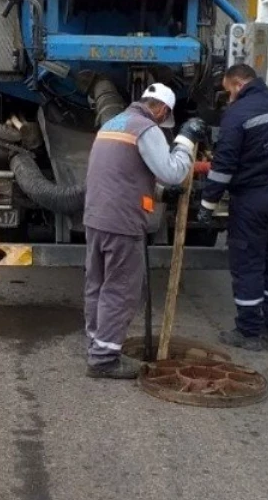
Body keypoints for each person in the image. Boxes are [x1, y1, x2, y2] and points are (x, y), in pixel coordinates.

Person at [83, 83, 208, 379]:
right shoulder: (145, 128)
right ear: (162, 109)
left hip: (96, 216)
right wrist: (186, 140)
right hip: (122, 222)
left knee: (97, 285)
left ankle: (96, 344)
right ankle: (103, 360)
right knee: (120, 289)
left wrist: (161, 194)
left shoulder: (113, 124)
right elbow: (173, 171)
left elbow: (124, 173)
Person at [199, 63, 268, 352]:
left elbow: (224, 165)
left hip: (254, 200)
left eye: (228, 90)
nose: (228, 97)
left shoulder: (238, 113)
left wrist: (207, 203)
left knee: (248, 264)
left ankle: (248, 332)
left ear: (238, 85)